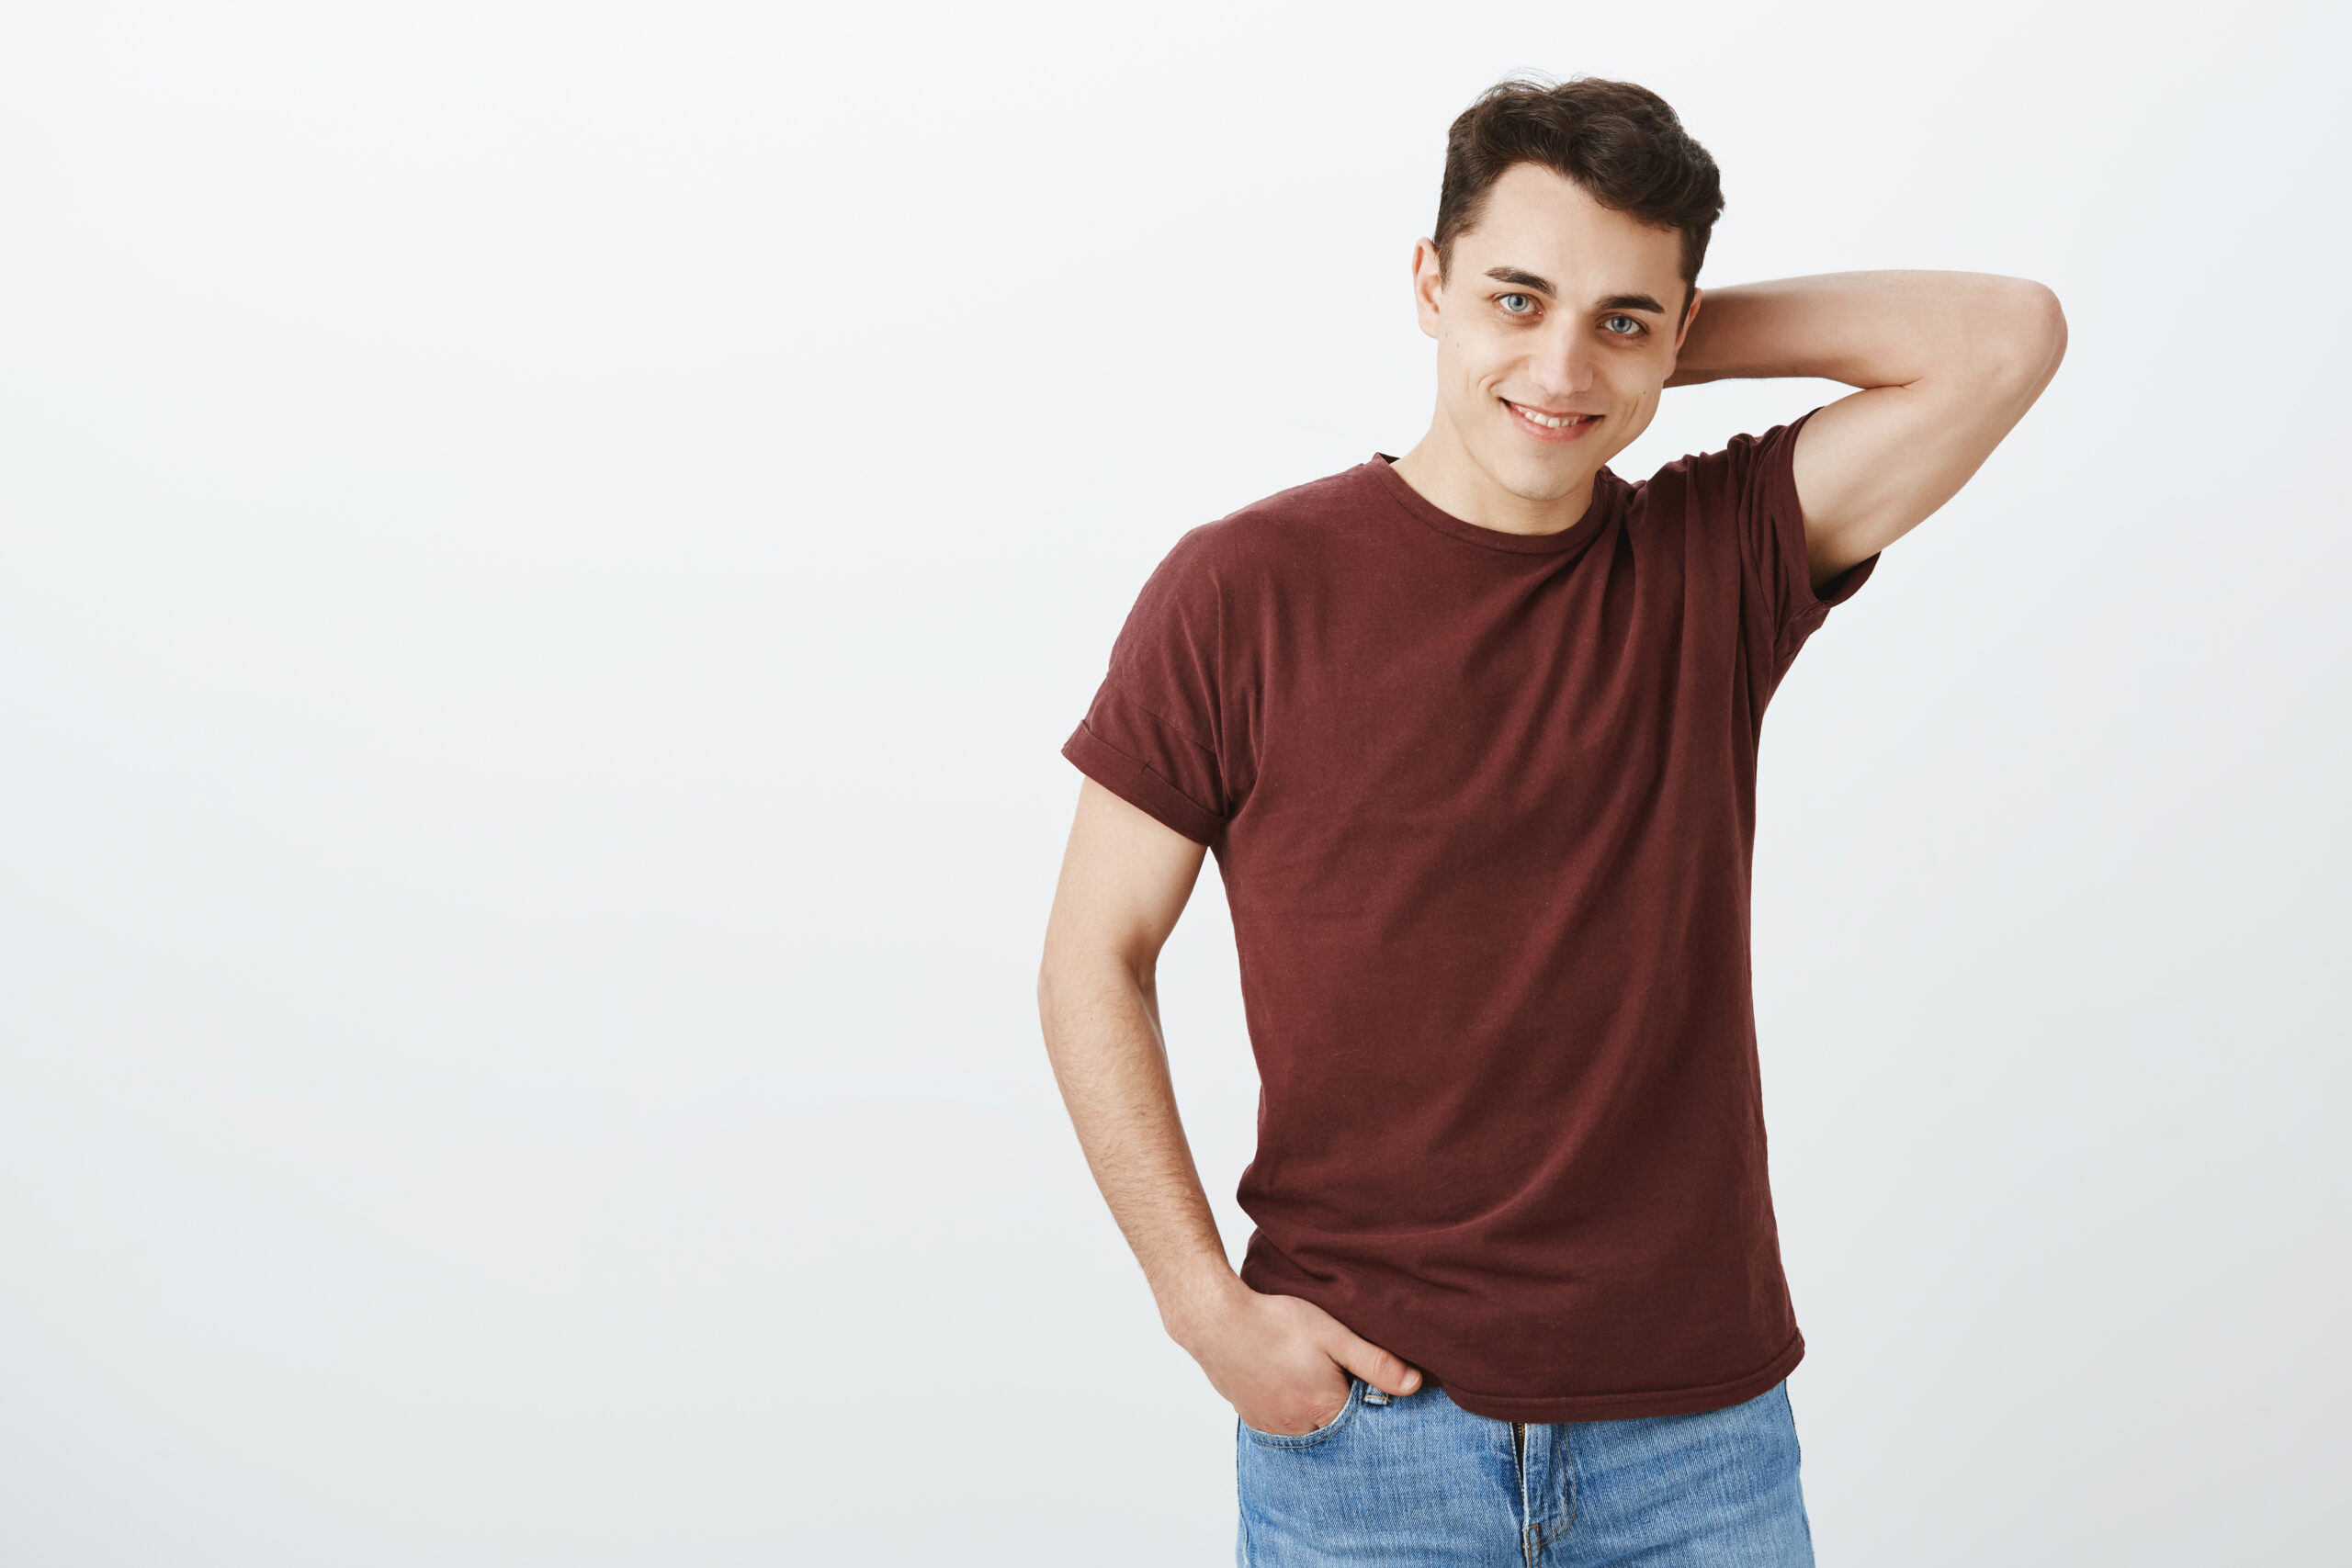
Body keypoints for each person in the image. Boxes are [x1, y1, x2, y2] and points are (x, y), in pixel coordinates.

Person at [1035, 74, 2064, 1566]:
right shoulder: (1242, 590)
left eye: (1621, 322)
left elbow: (2007, 335)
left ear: (1678, 331)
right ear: (1428, 283)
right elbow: (1090, 957)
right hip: (1364, 1445)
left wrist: (1652, 335)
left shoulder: (1717, 560)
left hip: (1695, 1451)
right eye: (1515, 298)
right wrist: (1205, 1311)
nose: (1560, 362)